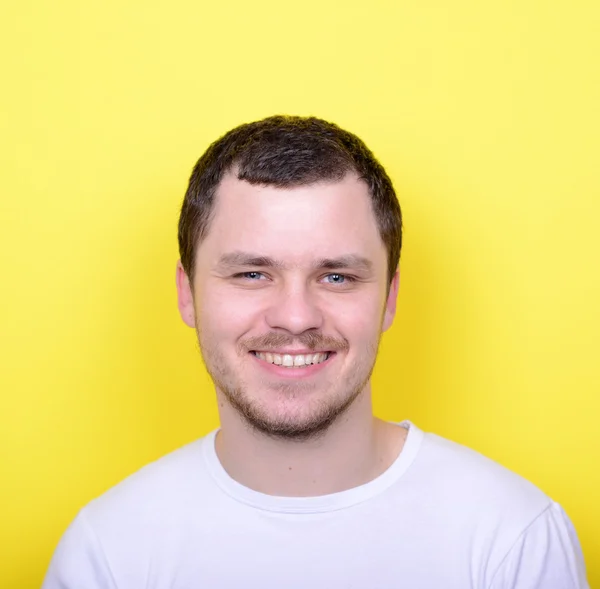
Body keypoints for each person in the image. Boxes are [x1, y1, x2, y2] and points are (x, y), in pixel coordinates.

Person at [42, 115, 589, 588]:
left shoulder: (513, 538)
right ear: (188, 294)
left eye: (337, 276)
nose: (297, 317)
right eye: (252, 273)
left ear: (390, 298)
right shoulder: (108, 553)